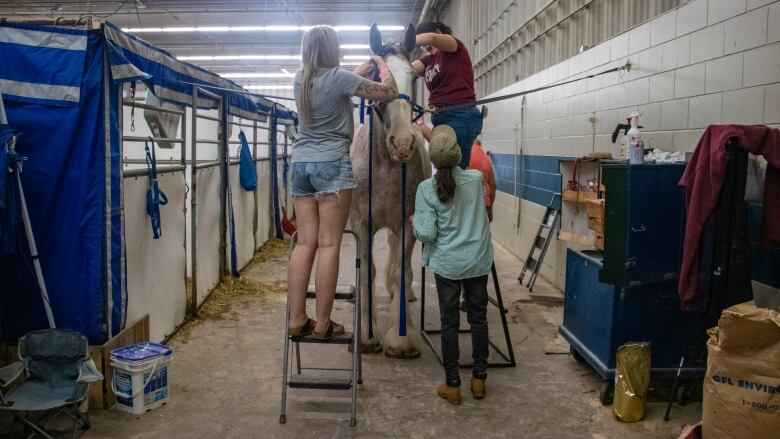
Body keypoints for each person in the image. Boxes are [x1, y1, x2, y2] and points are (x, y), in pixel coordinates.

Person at [288, 25, 399, 339]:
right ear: (331, 49)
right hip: (332, 165)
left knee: (305, 242)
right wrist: (382, 65)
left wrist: (356, 72)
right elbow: (389, 92)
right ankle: (323, 324)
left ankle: (297, 320)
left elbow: (331, 84)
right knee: (329, 244)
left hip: (301, 165)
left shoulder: (299, 78)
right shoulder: (340, 79)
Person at [412, 125, 494, 405]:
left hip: (448, 264)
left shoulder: (426, 189)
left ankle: (453, 385)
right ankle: (480, 379)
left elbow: (427, 234)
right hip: (477, 261)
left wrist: (415, 222)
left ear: (432, 160)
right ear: (459, 155)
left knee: (449, 323)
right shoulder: (475, 179)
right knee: (478, 318)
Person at [412, 21, 482, 169]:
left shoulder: (454, 46)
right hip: (441, 118)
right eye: (424, 48)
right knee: (444, 169)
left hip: (460, 114)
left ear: (438, 32)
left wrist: (408, 41)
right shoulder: (429, 60)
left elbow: (432, 38)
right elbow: (408, 69)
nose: (427, 49)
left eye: (428, 46)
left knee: (454, 170)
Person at [416, 120, 496, 222]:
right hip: (482, 205)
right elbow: (493, 185)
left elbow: (440, 150)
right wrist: (490, 209)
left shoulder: (426, 188)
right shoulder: (482, 160)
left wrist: (420, 124)